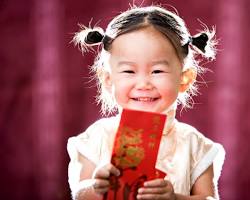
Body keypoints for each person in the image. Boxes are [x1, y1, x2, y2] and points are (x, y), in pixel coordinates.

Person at [67, 5, 225, 200]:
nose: (143, 84)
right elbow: (79, 194)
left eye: (157, 71)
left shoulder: (195, 146)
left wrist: (175, 198)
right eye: (128, 71)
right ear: (107, 79)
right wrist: (97, 187)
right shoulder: (96, 139)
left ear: (185, 78)